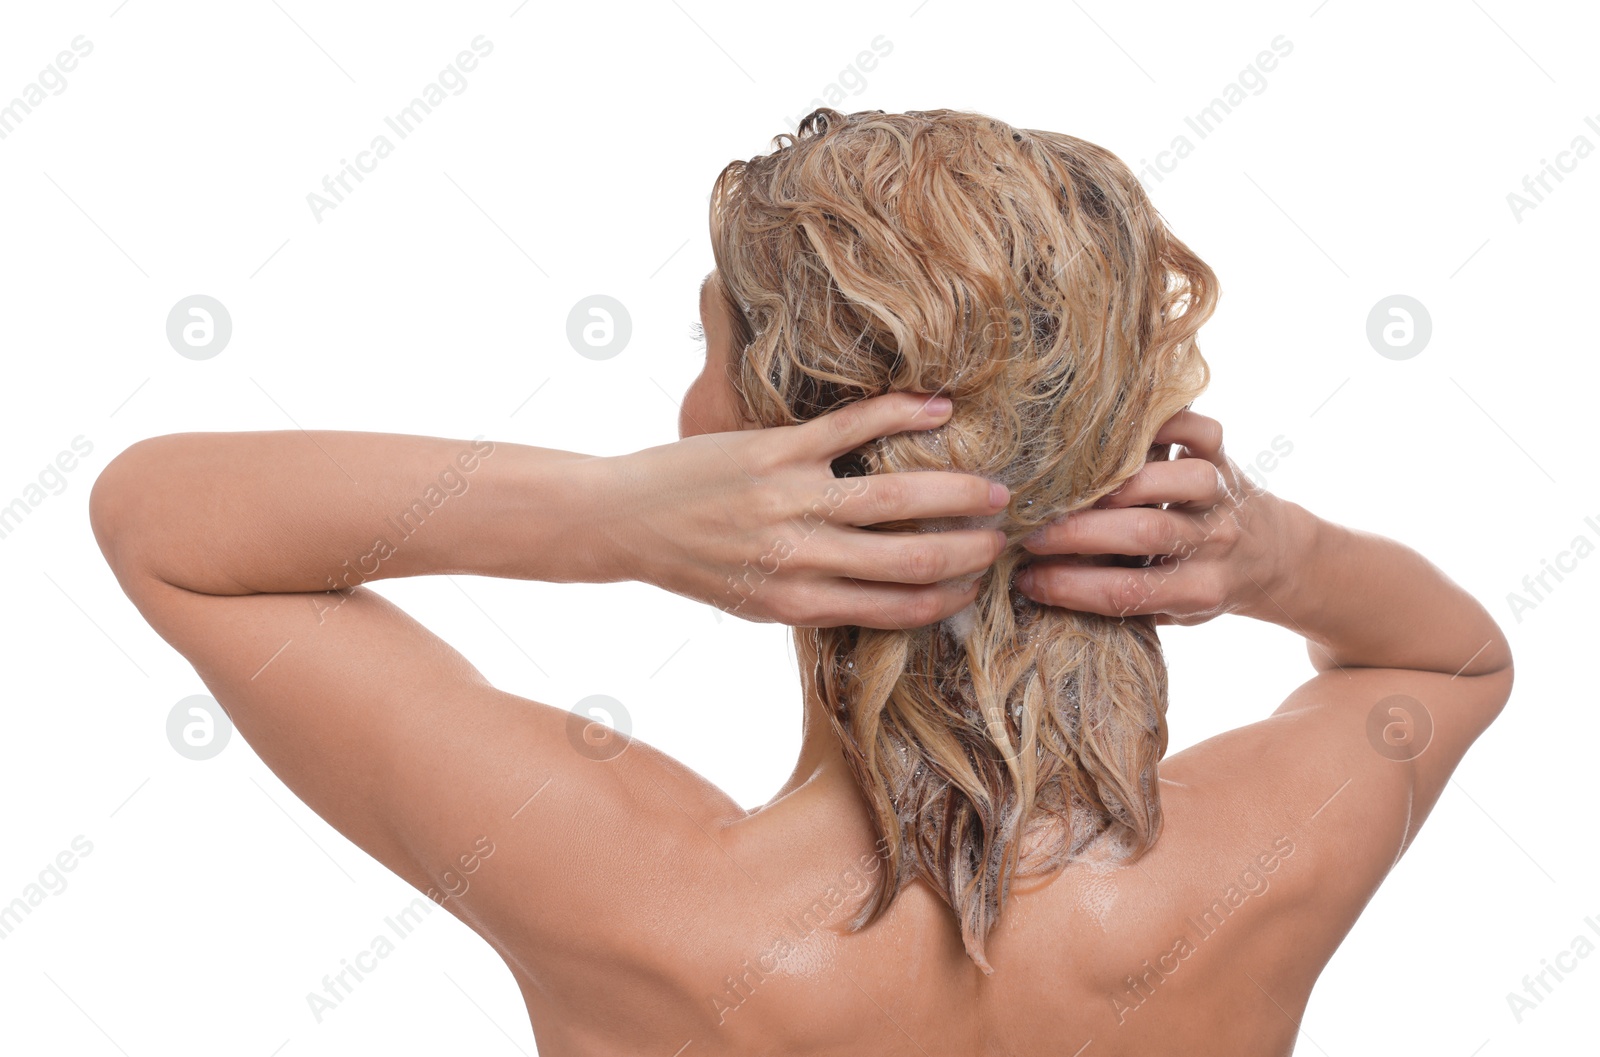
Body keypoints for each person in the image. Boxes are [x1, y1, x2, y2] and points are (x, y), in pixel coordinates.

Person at [89, 108, 1513, 1055]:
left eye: (709, 356)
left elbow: (160, 522)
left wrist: (606, 514)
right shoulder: (1252, 870)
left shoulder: (628, 895)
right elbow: (1448, 663)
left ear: (756, 445)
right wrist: (1278, 554)